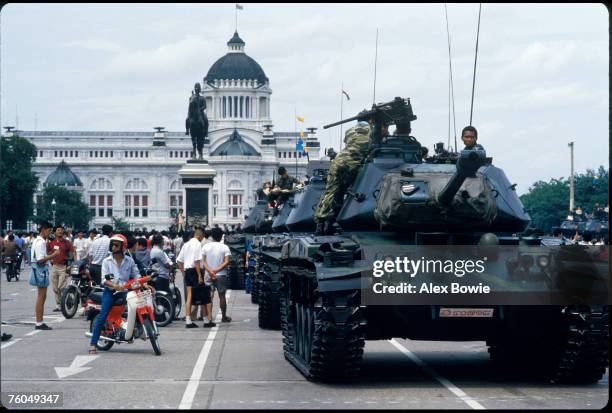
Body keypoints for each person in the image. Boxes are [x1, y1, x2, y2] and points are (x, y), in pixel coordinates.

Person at [314, 113, 389, 235]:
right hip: (354, 163)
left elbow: (348, 142)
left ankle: (321, 224)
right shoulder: (374, 130)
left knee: (331, 192)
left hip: (338, 162)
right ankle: (332, 224)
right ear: (370, 119)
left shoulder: (350, 130)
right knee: (350, 191)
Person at [88, 234, 143, 355]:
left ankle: (139, 329)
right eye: (112, 244)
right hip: (110, 292)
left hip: (124, 291)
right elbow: (104, 279)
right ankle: (93, 343)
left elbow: (136, 275)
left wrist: (142, 283)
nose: (113, 247)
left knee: (137, 302)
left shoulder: (129, 261)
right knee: (102, 316)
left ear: (123, 247)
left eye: (116, 245)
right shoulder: (107, 261)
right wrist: (114, 286)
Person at [176, 229, 210, 328]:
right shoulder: (197, 244)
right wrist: (199, 275)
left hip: (187, 271)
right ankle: (206, 321)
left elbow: (178, 260)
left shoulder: (186, 244)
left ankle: (188, 321)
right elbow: (197, 261)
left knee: (190, 296)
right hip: (195, 271)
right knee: (203, 296)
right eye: (202, 237)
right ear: (200, 235)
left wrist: (183, 272)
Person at [31, 221, 60, 331]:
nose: (49, 233)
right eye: (48, 230)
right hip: (40, 270)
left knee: (42, 296)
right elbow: (40, 260)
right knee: (41, 296)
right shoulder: (41, 242)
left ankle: (40, 321)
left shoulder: (37, 241)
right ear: (43, 229)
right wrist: (53, 255)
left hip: (39, 270)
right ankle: (39, 322)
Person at [202, 227, 232, 323]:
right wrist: (216, 270)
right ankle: (223, 316)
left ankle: (209, 318)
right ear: (221, 236)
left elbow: (203, 262)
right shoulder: (225, 247)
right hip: (221, 274)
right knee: (222, 296)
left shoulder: (206, 247)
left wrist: (210, 271)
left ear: (211, 236)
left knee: (209, 296)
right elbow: (227, 262)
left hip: (208, 274)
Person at [48, 226, 74, 312]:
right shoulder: (51, 243)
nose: (60, 231)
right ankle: (58, 305)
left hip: (64, 267)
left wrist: (73, 264)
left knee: (61, 287)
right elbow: (47, 252)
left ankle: (70, 299)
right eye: (58, 230)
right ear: (55, 232)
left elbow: (73, 252)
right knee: (55, 288)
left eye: (61, 230)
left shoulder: (67, 242)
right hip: (54, 267)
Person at [185, 82, 209, 160]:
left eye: (198, 87)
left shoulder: (202, 98)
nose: (197, 89)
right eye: (196, 87)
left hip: (200, 112)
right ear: (194, 89)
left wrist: (200, 109)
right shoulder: (192, 97)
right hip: (192, 113)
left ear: (200, 89)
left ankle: (206, 131)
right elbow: (190, 105)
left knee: (206, 120)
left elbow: (205, 106)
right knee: (187, 119)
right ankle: (187, 130)